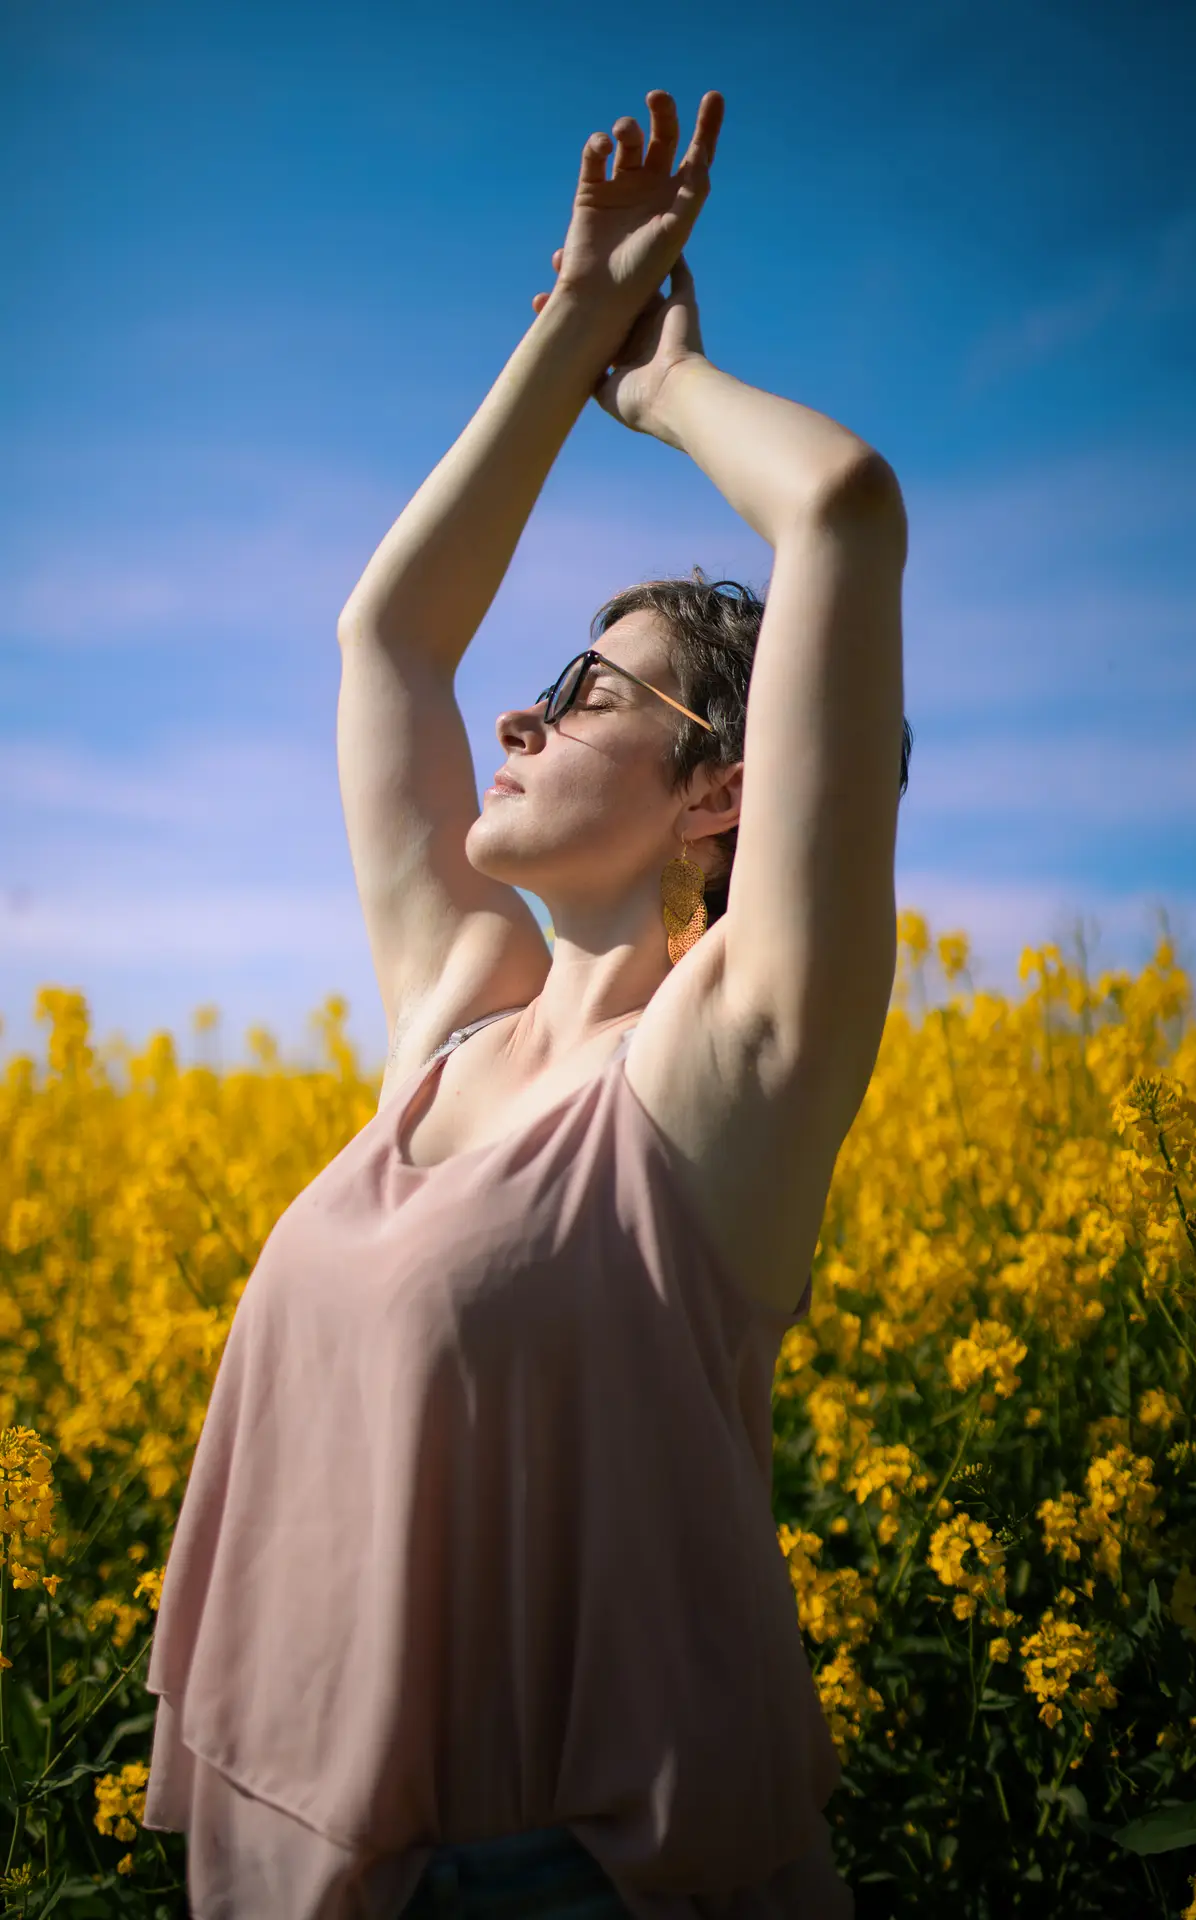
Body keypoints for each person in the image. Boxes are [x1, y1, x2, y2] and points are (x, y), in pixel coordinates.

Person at [140, 88, 910, 1920]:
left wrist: (658, 398)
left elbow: (842, 512)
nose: (519, 713)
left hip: (558, 1886)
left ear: (717, 791)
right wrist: (570, 325)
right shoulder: (459, 1012)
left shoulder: (724, 1078)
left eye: (584, 688)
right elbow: (389, 641)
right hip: (292, 1857)